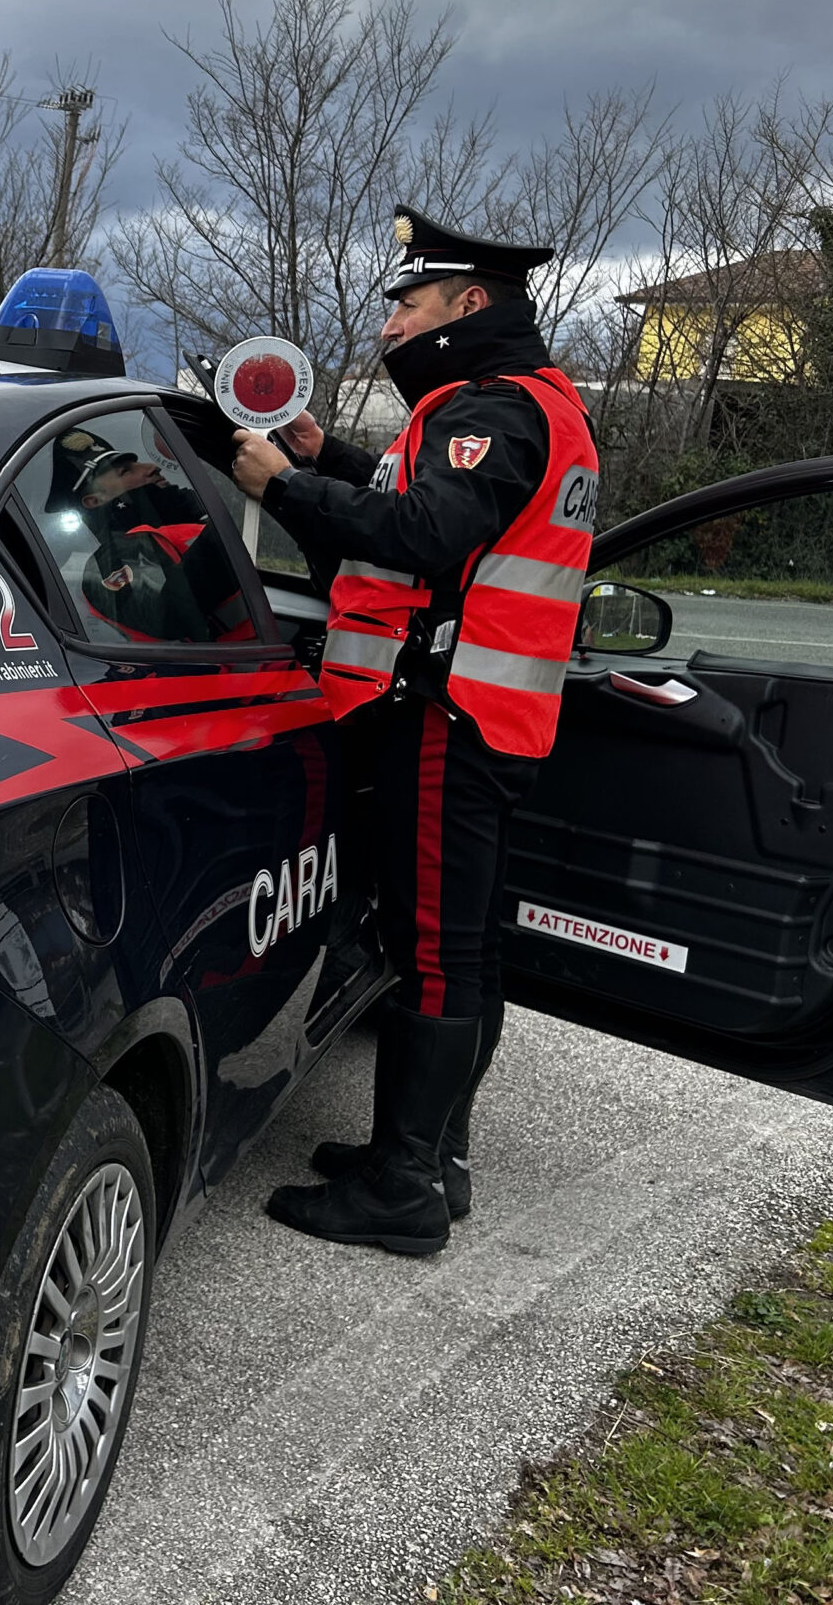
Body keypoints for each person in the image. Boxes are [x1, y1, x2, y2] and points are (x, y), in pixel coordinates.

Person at [226, 207, 600, 1255]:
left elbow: (430, 535)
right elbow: (439, 508)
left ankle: (401, 1192)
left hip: (443, 714)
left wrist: (285, 486)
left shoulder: (489, 407)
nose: (391, 323)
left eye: (408, 302)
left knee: (433, 952)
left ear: (467, 304)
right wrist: (328, 454)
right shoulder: (536, 407)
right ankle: (430, 1156)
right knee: (462, 949)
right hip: (489, 714)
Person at [53, 430, 250, 642]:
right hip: (209, 671)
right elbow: (168, 617)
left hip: (255, 663)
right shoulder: (108, 563)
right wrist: (228, 521)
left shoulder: (182, 518)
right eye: (125, 471)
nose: (151, 467)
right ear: (95, 500)